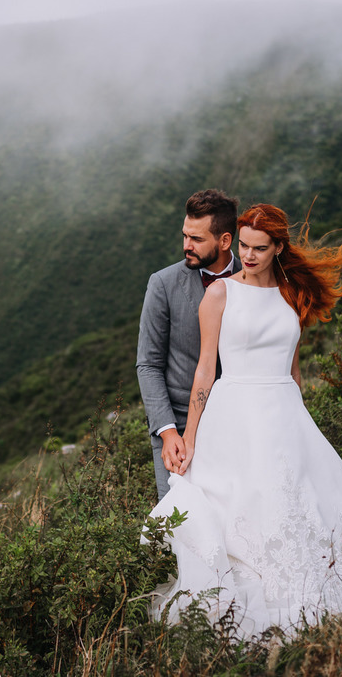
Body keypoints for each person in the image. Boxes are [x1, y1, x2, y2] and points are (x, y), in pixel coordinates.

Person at [147, 203, 342, 638]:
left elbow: (293, 369)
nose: (248, 255)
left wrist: (302, 424)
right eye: (243, 246)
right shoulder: (220, 294)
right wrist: (190, 435)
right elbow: (205, 370)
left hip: (285, 414)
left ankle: (309, 596)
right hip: (234, 415)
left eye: (258, 248)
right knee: (245, 507)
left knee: (308, 502)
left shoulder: (293, 293)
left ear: (277, 248)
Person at [137, 189, 238, 500]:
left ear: (224, 241)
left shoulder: (255, 280)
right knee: (179, 519)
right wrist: (167, 431)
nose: (186, 246)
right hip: (178, 427)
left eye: (196, 239)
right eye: (185, 235)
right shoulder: (163, 284)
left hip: (239, 421)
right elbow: (148, 364)